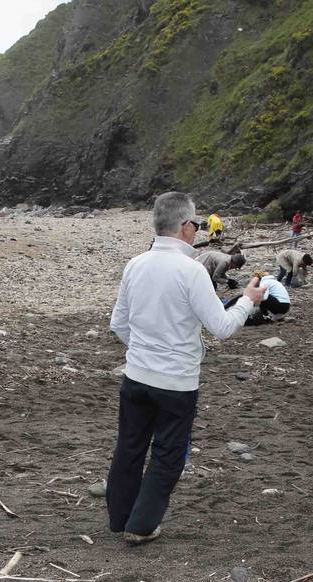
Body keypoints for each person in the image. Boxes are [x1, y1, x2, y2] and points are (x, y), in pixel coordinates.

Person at [108, 191, 266, 543]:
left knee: (129, 447)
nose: (196, 230)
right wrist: (247, 301)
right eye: (196, 224)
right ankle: (140, 526)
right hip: (176, 382)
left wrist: (145, 351)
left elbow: (119, 324)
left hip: (137, 376)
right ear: (183, 226)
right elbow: (222, 328)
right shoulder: (191, 271)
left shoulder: (135, 264)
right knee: (167, 454)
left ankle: (120, 519)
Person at [225, 272, 289, 324]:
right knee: (261, 296)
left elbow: (265, 297)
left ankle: (265, 317)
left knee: (261, 296)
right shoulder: (272, 281)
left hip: (281, 305)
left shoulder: (264, 282)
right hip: (285, 306)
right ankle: (276, 316)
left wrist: (252, 299)